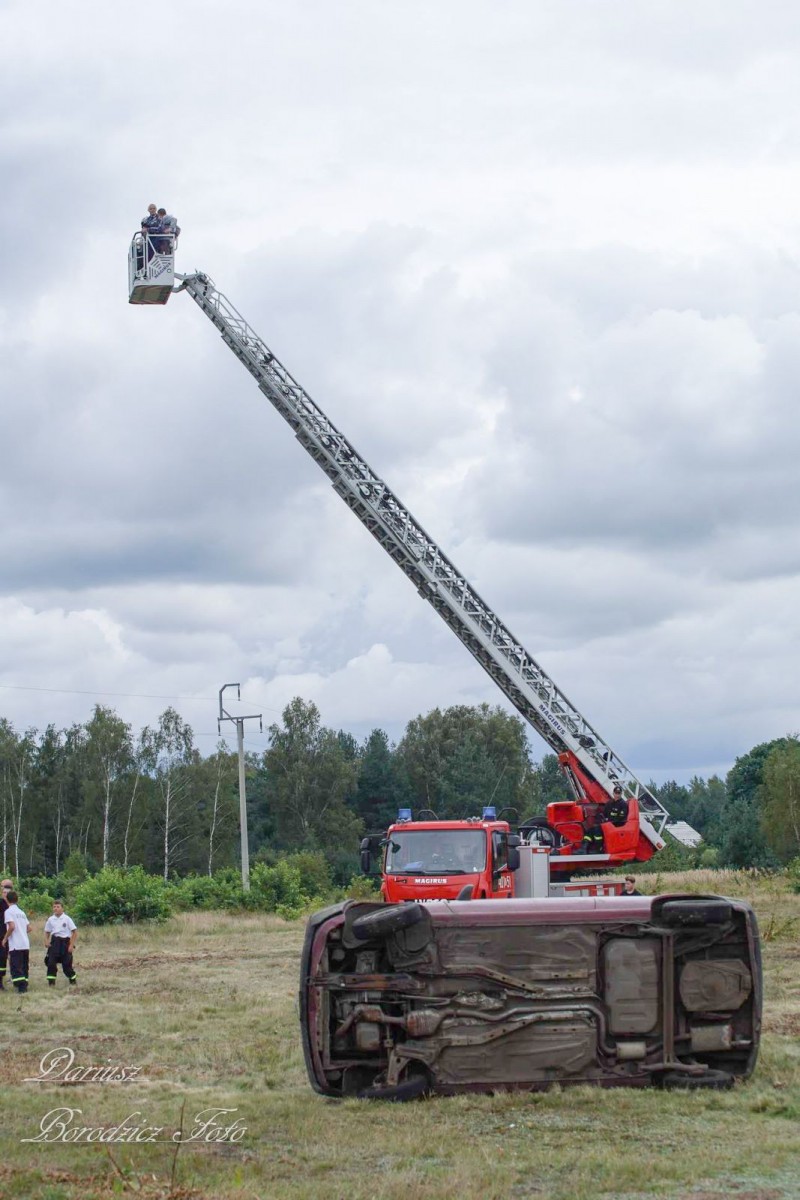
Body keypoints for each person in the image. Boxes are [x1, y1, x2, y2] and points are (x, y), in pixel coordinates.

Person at [3, 890, 31, 994]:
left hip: (16, 944)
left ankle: (21, 988)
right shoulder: (21, 912)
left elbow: (12, 926)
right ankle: (25, 985)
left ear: (7, 899)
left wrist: (5, 938)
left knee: (16, 966)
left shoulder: (9, 912)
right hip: (25, 943)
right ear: (17, 899)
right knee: (24, 966)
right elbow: (29, 928)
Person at [44, 900, 78, 987]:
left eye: (58, 907)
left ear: (62, 908)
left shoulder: (67, 919)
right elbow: (47, 932)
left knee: (66, 965)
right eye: (54, 907)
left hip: (65, 942)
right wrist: (46, 941)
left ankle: (72, 979)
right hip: (55, 942)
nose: (55, 908)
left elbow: (74, 932)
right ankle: (51, 983)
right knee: (51, 963)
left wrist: (71, 945)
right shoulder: (51, 919)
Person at [0, 879, 12, 990]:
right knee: (1, 958)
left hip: (10, 936)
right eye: (3, 892)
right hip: (1, 936)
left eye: (7, 893)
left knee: (6, 959)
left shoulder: (13, 906)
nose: (5, 895)